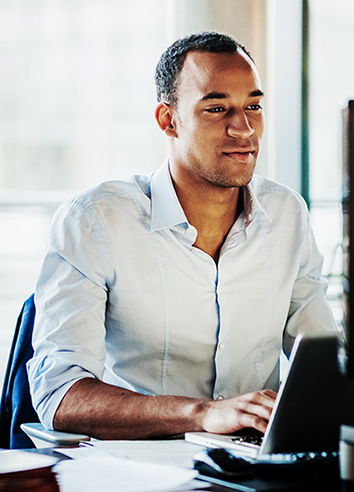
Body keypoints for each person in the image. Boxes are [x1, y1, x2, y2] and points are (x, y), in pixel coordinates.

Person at [27, 31, 338, 440]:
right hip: (143, 467)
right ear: (168, 120)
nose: (243, 128)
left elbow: (324, 363)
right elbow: (60, 396)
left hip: (257, 463)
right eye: (216, 108)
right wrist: (203, 414)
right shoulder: (94, 221)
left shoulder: (286, 214)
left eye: (253, 106)